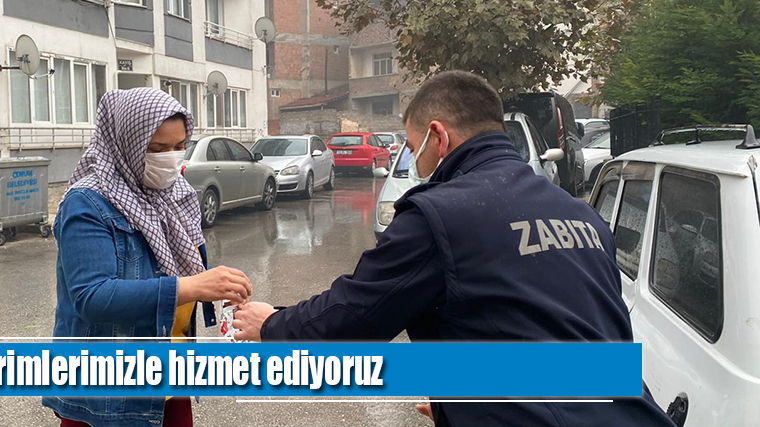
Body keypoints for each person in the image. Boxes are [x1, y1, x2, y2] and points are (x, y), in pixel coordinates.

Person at [233, 71, 675, 427]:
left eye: (412, 149)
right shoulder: (581, 215)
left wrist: (271, 325)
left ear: (438, 137)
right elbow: (560, 328)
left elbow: (355, 315)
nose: (413, 162)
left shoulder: (439, 214)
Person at [43, 88, 253, 427]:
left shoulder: (175, 194)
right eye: (157, 149)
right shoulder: (87, 203)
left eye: (180, 146)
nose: (171, 158)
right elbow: (92, 296)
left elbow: (175, 265)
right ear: (126, 143)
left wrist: (218, 282)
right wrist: (193, 286)